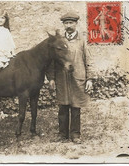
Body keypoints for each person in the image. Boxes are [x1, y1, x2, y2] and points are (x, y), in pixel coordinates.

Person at [47, 12, 93, 144]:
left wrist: (90, 79)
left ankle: (75, 134)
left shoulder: (82, 41)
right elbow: (52, 61)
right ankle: (62, 134)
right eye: (66, 23)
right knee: (63, 107)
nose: (68, 26)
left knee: (75, 107)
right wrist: (51, 78)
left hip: (77, 78)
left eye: (71, 23)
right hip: (62, 79)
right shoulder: (59, 41)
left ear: (76, 24)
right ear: (63, 25)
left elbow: (89, 60)